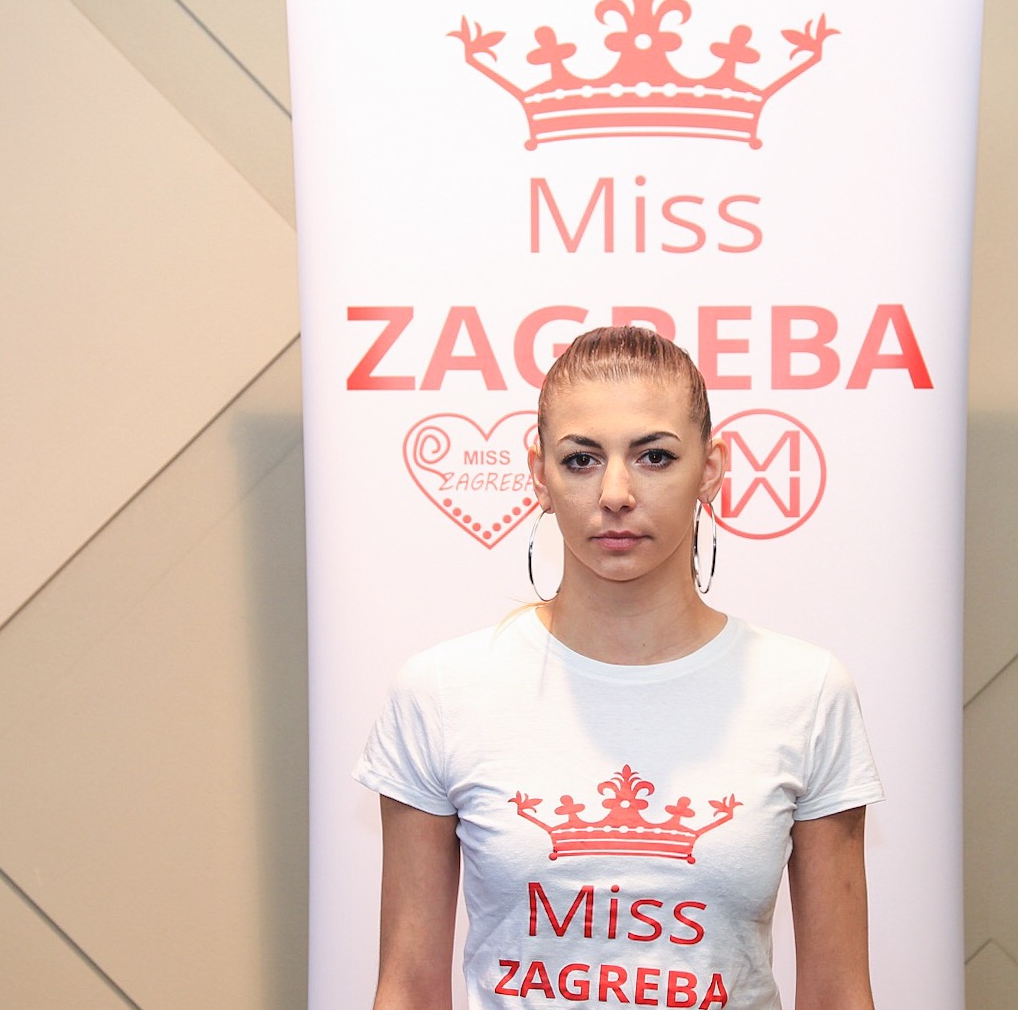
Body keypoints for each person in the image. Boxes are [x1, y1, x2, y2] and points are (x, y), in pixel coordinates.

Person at [354, 326, 883, 1009]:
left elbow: (839, 994)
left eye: (654, 456)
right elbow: (408, 989)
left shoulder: (806, 692)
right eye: (580, 459)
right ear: (539, 474)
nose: (615, 492)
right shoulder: (441, 692)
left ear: (712, 469)